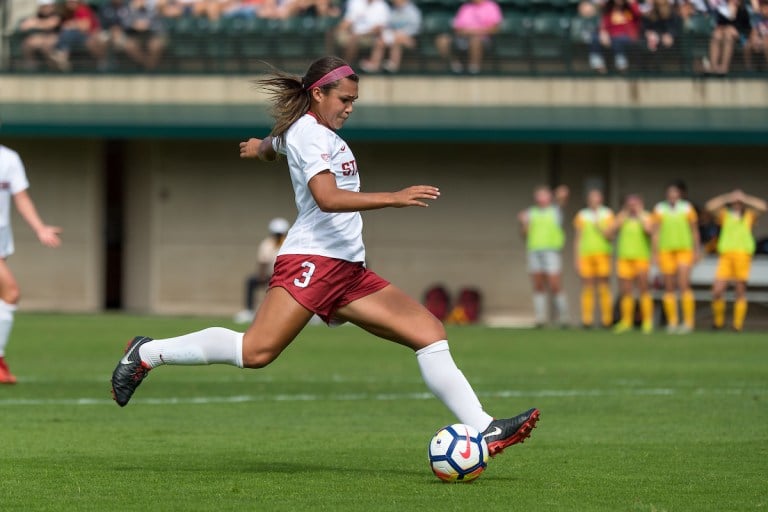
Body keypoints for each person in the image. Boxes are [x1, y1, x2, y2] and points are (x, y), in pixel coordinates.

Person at [110, 56, 540, 456]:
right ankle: (147, 353)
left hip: (348, 268)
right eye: (345, 99)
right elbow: (328, 197)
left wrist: (258, 146)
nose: (350, 108)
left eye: (355, 101)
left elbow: (276, 145)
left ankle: (483, 426)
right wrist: (393, 197)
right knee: (256, 352)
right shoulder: (310, 134)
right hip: (313, 261)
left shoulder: (305, 133)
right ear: (319, 93)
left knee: (428, 330)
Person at [0, 146, 62, 384]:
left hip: (2, 241)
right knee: (10, 292)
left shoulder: (9, 158)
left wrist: (40, 228)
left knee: (8, 295)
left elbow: (21, 197)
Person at [705, 189, 766, 332]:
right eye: (735, 202)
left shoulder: (749, 216)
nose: (737, 204)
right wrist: (727, 197)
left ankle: (737, 325)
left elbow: (763, 207)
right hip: (726, 255)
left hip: (743, 256)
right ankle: (718, 322)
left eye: (739, 202)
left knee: (740, 290)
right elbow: (709, 206)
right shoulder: (725, 215)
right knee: (717, 290)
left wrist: (745, 198)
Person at [651, 181, 701, 333]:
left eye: (675, 192)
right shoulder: (659, 209)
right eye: (670, 192)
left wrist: (696, 250)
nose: (672, 195)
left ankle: (688, 322)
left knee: (684, 283)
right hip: (666, 250)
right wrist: (654, 253)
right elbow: (656, 233)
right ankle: (672, 322)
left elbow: (694, 231)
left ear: (679, 194)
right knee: (669, 286)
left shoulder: (687, 208)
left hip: (684, 249)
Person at [517, 184, 570, 328]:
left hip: (551, 251)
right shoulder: (530, 212)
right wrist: (524, 223)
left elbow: (562, 198)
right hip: (534, 251)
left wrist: (560, 194)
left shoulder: (555, 211)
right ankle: (540, 318)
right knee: (538, 285)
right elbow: (524, 234)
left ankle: (564, 318)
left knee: (555, 284)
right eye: (538, 195)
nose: (541, 198)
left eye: (544, 195)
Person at [233, 217, 290, 324]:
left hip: (287, 277)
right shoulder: (267, 243)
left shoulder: (289, 243)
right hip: (269, 276)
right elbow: (263, 261)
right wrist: (262, 276)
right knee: (251, 281)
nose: (278, 236)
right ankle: (249, 311)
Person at [611, 194, 654, 334]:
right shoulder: (622, 218)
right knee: (626, 291)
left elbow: (649, 231)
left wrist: (640, 214)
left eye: (635, 204)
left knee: (643, 289)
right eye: (630, 204)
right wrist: (623, 214)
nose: (632, 207)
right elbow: (608, 232)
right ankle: (626, 321)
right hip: (624, 258)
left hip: (641, 258)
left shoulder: (646, 216)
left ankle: (647, 321)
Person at [573, 188, 614, 329]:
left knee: (603, 286)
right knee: (587, 287)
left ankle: (607, 320)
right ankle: (587, 320)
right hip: (586, 254)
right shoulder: (582, 215)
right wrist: (577, 258)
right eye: (591, 198)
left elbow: (610, 236)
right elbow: (578, 238)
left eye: (596, 197)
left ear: (601, 199)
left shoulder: (607, 214)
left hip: (602, 253)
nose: (593, 201)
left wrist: (599, 226)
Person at [435, 0, 502, 74]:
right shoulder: (465, 7)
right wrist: (465, 32)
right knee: (442, 40)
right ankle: (454, 66)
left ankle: (474, 69)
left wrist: (474, 32)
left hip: (484, 39)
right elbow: (457, 28)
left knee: (475, 40)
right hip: (463, 38)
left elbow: (495, 29)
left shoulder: (491, 6)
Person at [359, 0, 421, 73]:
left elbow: (416, 28)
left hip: (410, 39)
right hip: (394, 35)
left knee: (397, 39)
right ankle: (374, 65)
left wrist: (402, 33)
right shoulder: (393, 10)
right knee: (380, 40)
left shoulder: (412, 10)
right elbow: (388, 25)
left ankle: (393, 65)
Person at [589, 0, 641, 73]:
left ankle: (622, 65)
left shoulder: (630, 8)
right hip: (611, 36)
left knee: (617, 39)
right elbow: (604, 23)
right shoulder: (609, 8)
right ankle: (598, 65)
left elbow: (638, 14)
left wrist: (632, 2)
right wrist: (603, 32)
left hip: (627, 36)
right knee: (595, 37)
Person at [334, 0, 391, 65]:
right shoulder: (355, 2)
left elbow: (381, 26)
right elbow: (348, 20)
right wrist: (341, 29)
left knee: (355, 38)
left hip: (372, 35)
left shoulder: (382, 5)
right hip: (354, 33)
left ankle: (346, 65)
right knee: (344, 36)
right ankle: (345, 65)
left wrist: (366, 33)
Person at [17, 0, 62, 71]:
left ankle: (55, 66)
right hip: (42, 39)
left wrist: (34, 23)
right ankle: (31, 66)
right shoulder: (38, 15)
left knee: (47, 44)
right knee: (28, 43)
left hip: (56, 40)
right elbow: (23, 26)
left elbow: (50, 24)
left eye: (47, 6)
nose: (45, 8)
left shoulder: (57, 15)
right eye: (43, 6)